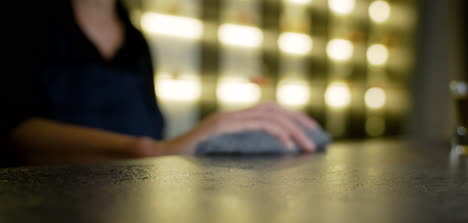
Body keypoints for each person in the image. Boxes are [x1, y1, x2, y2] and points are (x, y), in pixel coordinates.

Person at [0, 0, 318, 167]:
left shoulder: (136, 41)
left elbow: (153, 126)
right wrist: (148, 150)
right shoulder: (23, 20)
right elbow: (13, 135)